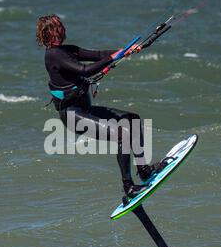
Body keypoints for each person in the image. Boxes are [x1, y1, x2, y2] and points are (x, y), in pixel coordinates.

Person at [36, 14, 165, 200]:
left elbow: (97, 55)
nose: (63, 29)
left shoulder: (67, 50)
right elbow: (84, 70)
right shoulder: (53, 55)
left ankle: (143, 169)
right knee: (123, 134)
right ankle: (128, 187)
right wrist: (113, 58)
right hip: (73, 116)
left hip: (84, 110)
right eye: (58, 27)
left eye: (62, 25)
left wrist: (126, 50)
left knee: (132, 120)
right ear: (49, 33)